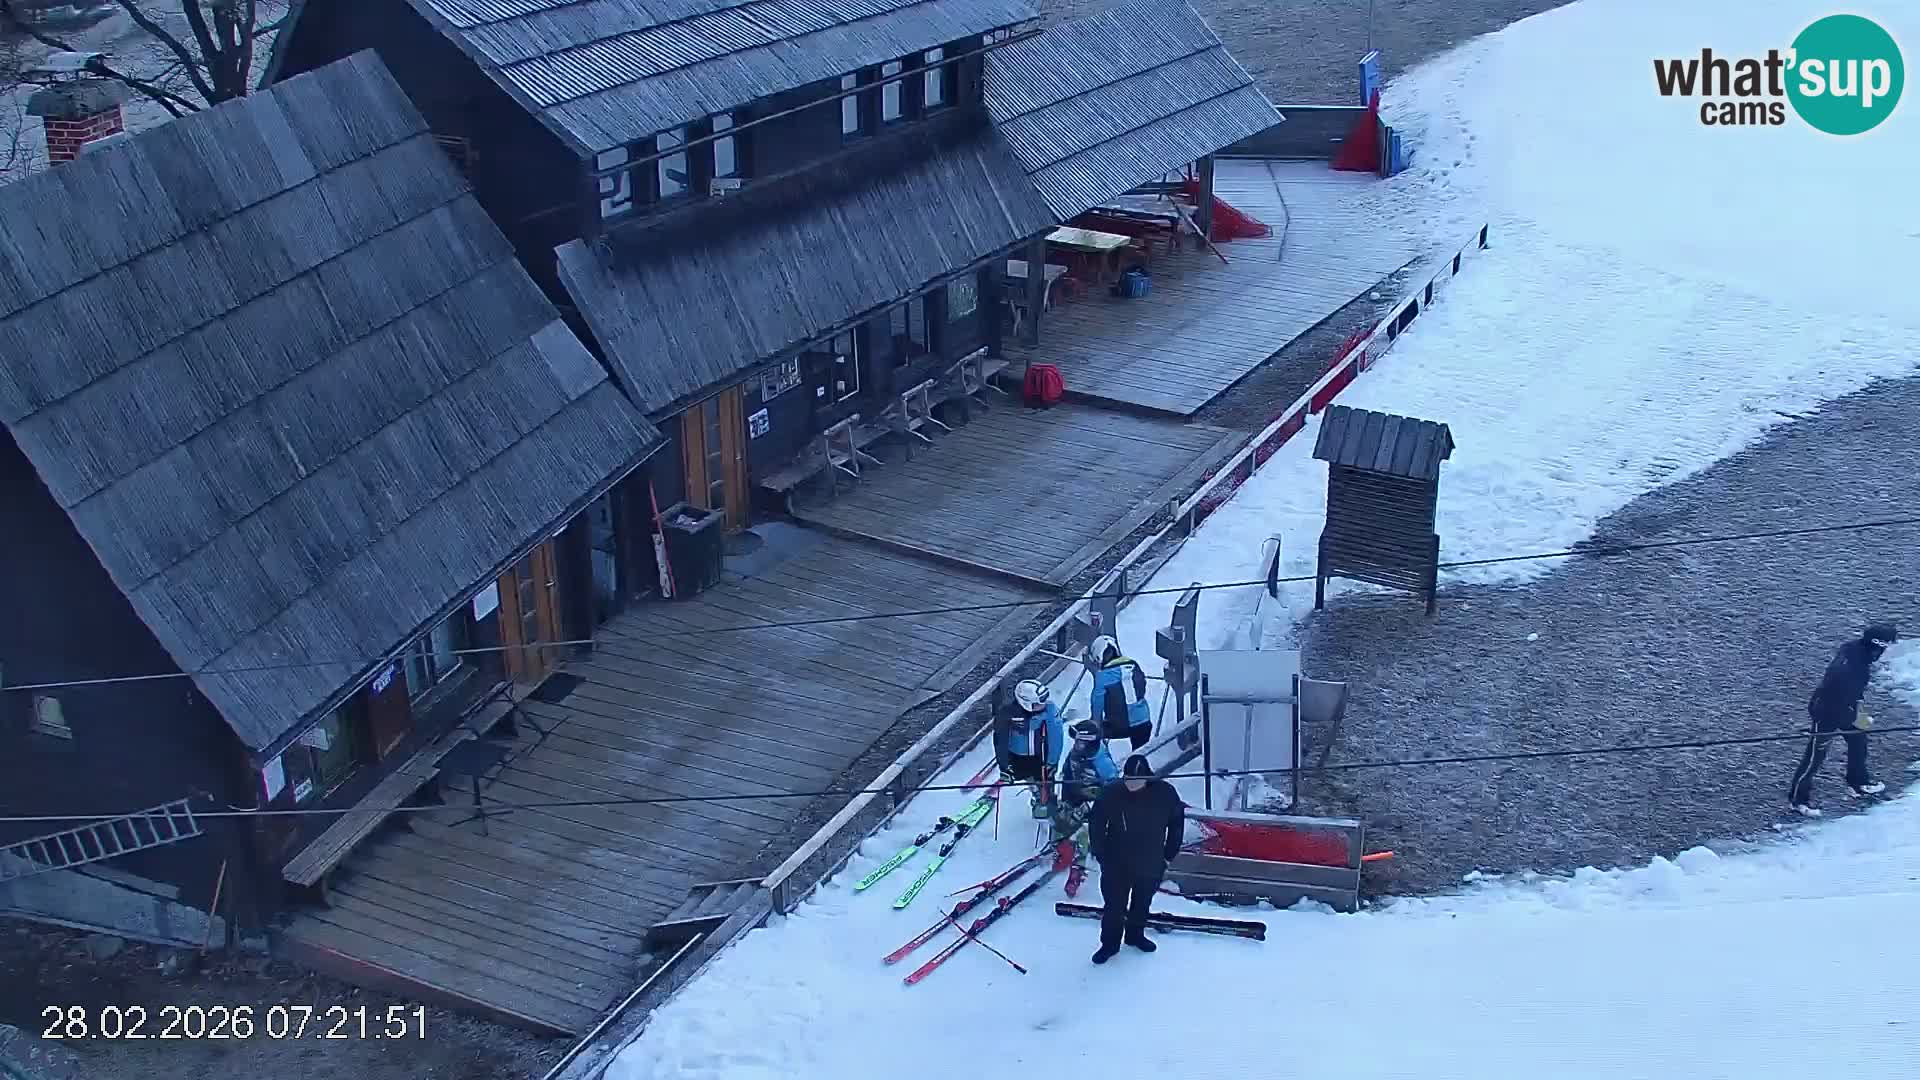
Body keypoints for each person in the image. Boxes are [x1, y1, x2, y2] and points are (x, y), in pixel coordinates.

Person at [1788, 622, 1897, 816]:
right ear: (1877, 645)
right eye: (1885, 646)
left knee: (1859, 740)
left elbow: (1853, 692)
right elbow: (1836, 690)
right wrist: (1848, 711)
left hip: (1850, 708)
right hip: (1828, 712)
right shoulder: (1851, 665)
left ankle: (1858, 782)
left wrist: (1858, 712)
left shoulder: (1854, 649)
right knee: (1815, 757)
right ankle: (1798, 800)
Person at [1086, 754, 1185, 965]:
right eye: (1128, 779)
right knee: (1114, 907)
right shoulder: (1112, 793)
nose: (1131, 785)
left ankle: (1135, 935)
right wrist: (1100, 853)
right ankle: (1109, 944)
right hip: (1116, 863)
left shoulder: (1165, 794)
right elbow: (1096, 824)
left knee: (1142, 903)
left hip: (1151, 862)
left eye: (1136, 781)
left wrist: (1168, 855)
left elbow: (1176, 824)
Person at [994, 678, 1064, 809]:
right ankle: (1035, 792)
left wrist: (1052, 762)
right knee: (1025, 775)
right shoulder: (1007, 713)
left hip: (1041, 756)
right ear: (1025, 702)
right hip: (1018, 756)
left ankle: (1048, 802)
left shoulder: (1050, 712)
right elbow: (1000, 739)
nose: (1044, 705)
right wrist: (1004, 765)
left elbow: (1056, 738)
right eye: (1039, 703)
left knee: (1045, 782)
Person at [1087, 635, 1153, 750]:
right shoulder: (1133, 665)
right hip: (1144, 722)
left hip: (1118, 727)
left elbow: (1097, 706)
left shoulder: (1102, 676)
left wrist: (1094, 726)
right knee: (1139, 756)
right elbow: (1142, 686)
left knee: (1091, 736)